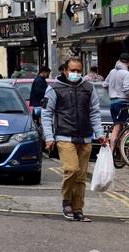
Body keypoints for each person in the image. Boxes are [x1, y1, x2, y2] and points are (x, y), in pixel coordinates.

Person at [41, 57, 106, 222]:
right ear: (64, 70)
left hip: (85, 137)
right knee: (71, 169)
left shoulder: (88, 88)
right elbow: (46, 114)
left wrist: (100, 133)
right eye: (72, 70)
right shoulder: (54, 89)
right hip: (64, 136)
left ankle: (78, 209)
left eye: (78, 70)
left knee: (81, 176)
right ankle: (66, 201)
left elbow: (95, 113)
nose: (76, 73)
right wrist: (49, 137)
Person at [104, 53, 129, 145]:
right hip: (123, 104)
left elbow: (104, 84)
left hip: (113, 103)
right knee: (127, 129)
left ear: (119, 60)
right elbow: (128, 90)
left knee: (116, 127)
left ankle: (111, 153)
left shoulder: (112, 71)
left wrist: (112, 90)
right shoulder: (127, 74)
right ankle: (126, 154)